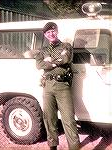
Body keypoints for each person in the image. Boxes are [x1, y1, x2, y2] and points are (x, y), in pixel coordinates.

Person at [34, 22, 80, 150]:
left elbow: (65, 60)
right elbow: (38, 65)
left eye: (53, 31)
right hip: (47, 87)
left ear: (57, 31)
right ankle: (52, 147)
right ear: (45, 35)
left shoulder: (66, 46)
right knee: (49, 119)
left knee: (69, 119)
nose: (51, 34)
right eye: (48, 32)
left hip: (62, 86)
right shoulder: (43, 50)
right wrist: (55, 63)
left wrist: (49, 62)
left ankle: (74, 147)